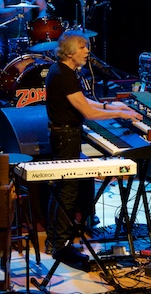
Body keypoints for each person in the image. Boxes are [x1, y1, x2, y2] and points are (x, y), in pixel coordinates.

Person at [44, 29, 142, 267]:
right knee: (66, 190)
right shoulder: (63, 74)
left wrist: (114, 107)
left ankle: (58, 241)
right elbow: (87, 112)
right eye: (82, 47)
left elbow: (86, 102)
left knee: (66, 188)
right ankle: (58, 244)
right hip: (65, 136)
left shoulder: (65, 72)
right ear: (69, 52)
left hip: (68, 134)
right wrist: (119, 113)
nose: (87, 51)